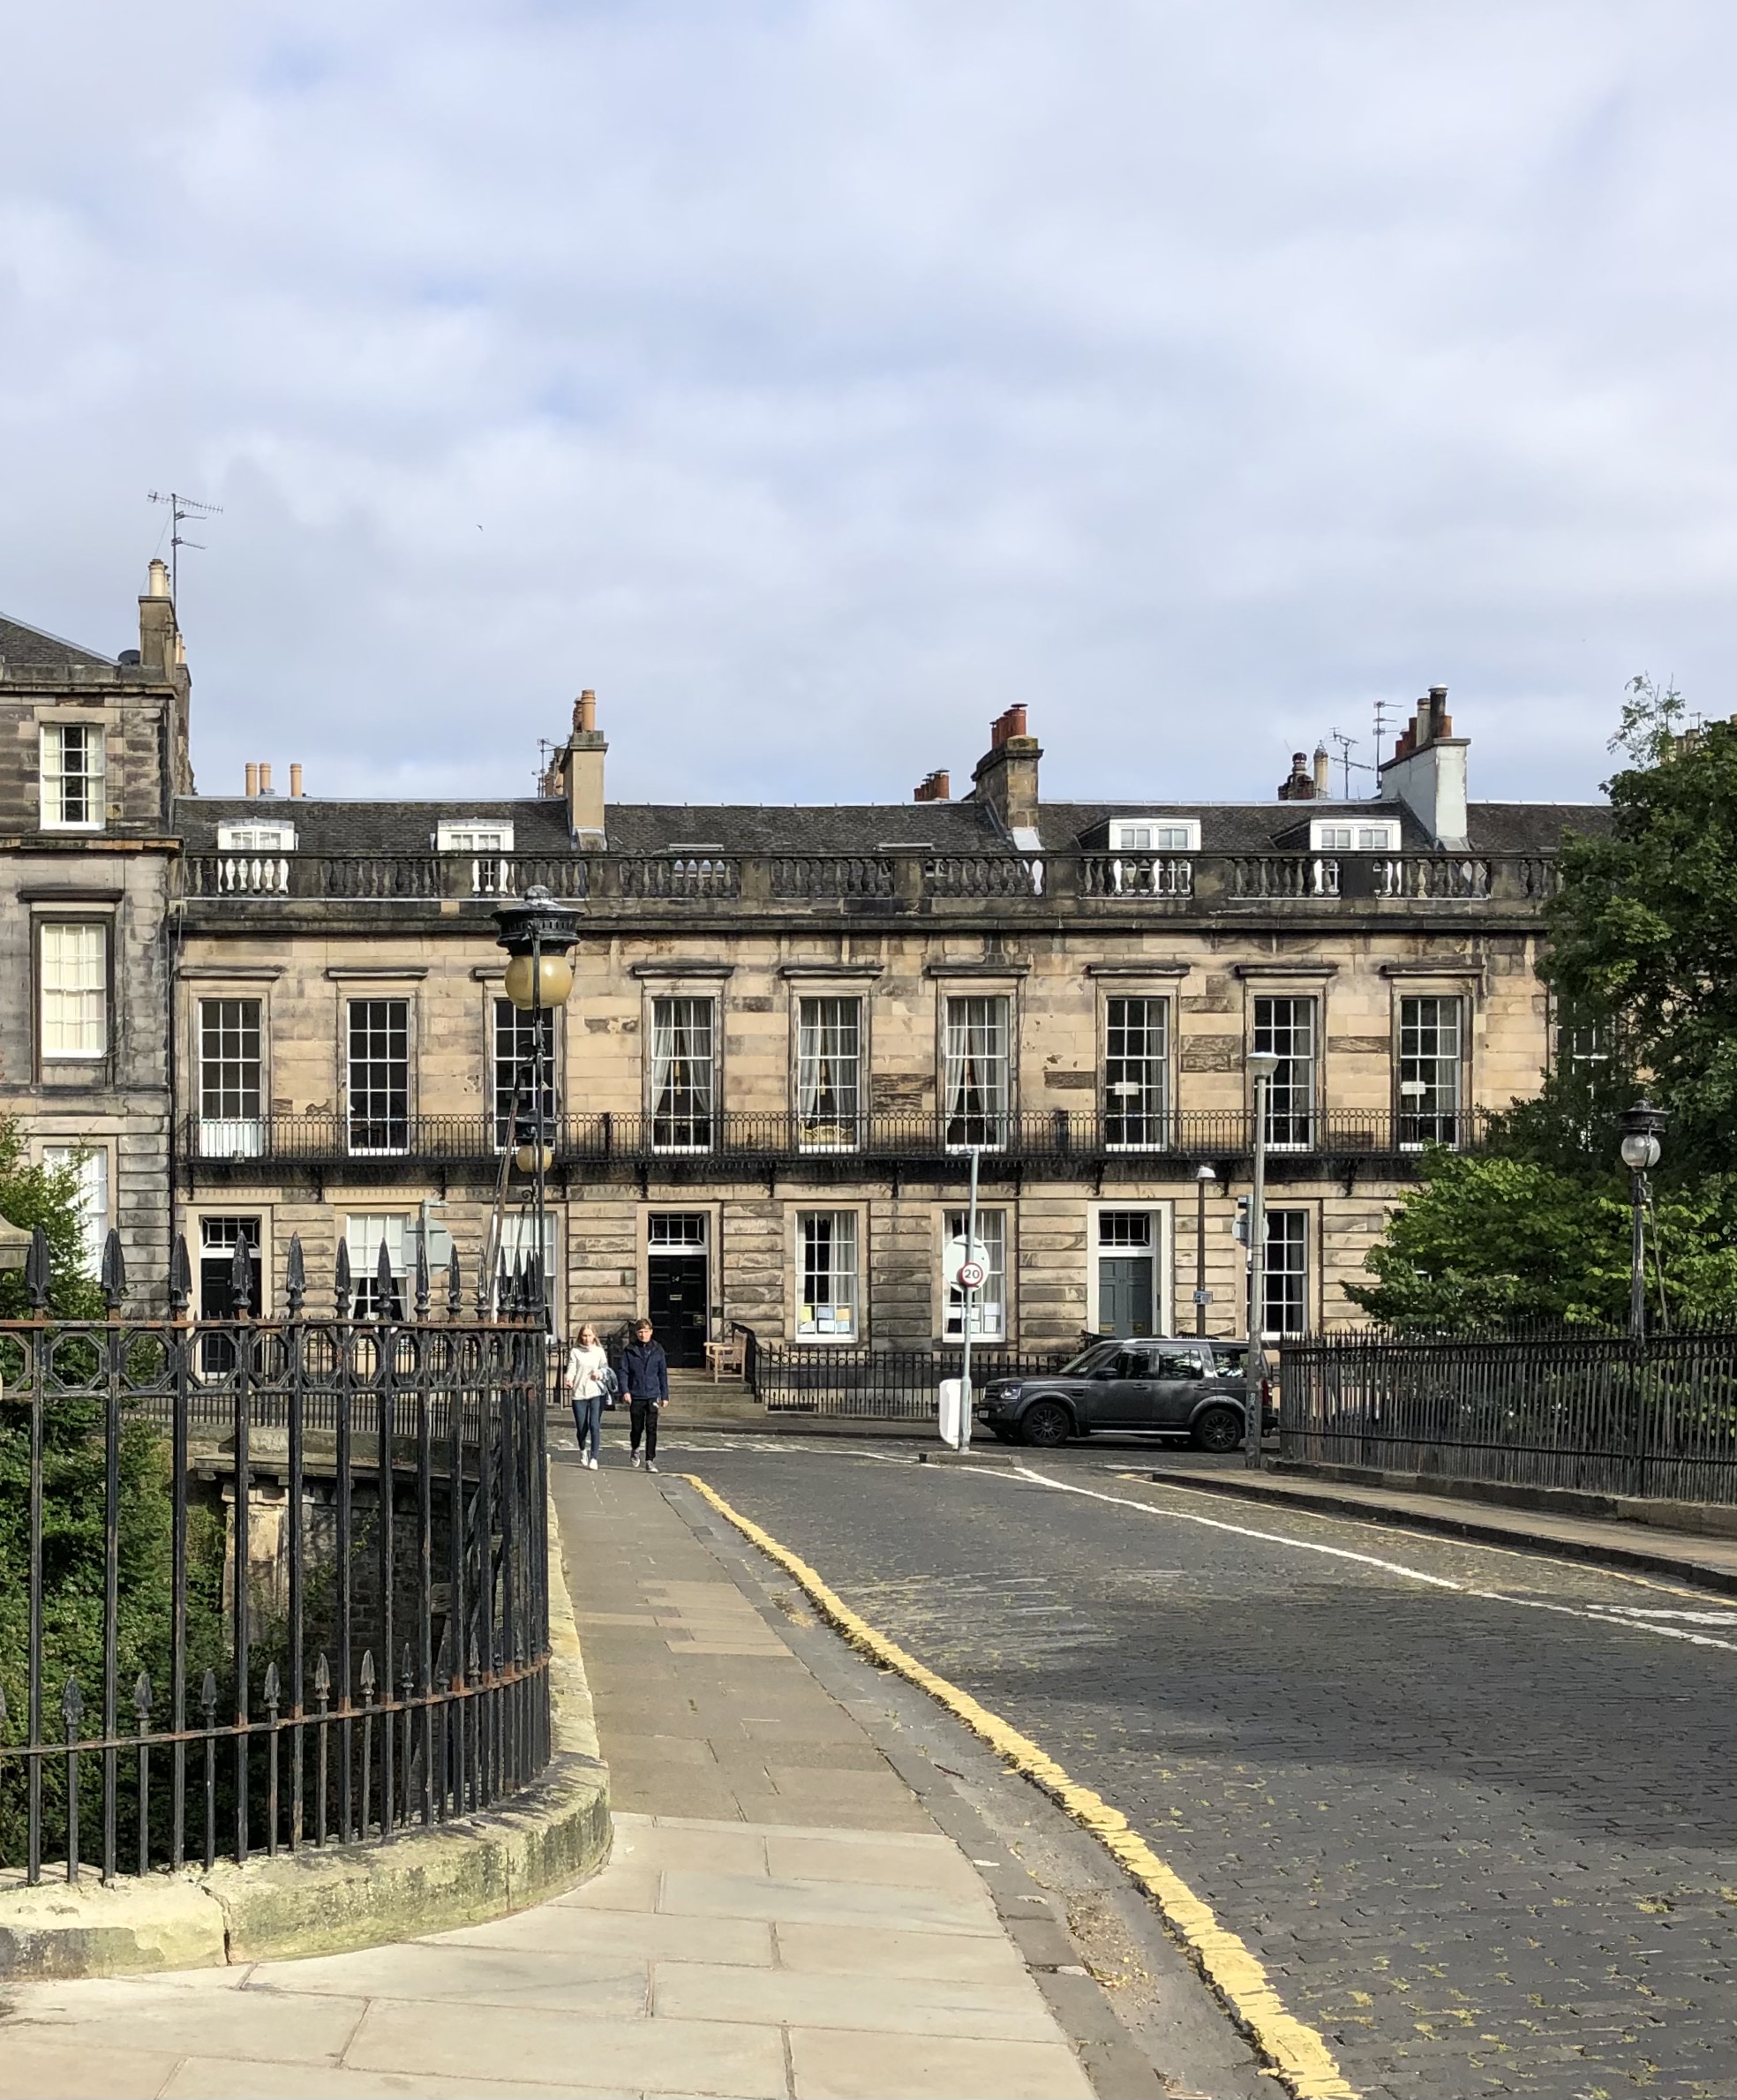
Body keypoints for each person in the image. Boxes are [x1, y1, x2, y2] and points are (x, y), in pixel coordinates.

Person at [620, 1317, 669, 1472]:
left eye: (646, 1332)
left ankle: (650, 1460)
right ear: (636, 1333)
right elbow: (624, 1372)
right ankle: (635, 1449)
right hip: (636, 1393)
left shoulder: (658, 1349)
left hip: (653, 1393)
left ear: (651, 1332)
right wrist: (625, 1391)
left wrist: (665, 1395)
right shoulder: (629, 1350)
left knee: (651, 1427)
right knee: (637, 1427)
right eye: (640, 1332)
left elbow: (662, 1373)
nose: (643, 1335)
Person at [563, 1321, 611, 1470]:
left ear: (594, 1336)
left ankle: (594, 1458)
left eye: (589, 1335)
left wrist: (600, 1373)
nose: (587, 1338)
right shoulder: (575, 1352)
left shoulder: (599, 1351)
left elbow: (605, 1368)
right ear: (580, 1336)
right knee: (582, 1428)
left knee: (594, 1424)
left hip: (596, 1392)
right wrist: (569, 1378)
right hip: (579, 1393)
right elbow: (571, 1368)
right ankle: (583, 1450)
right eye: (584, 1335)